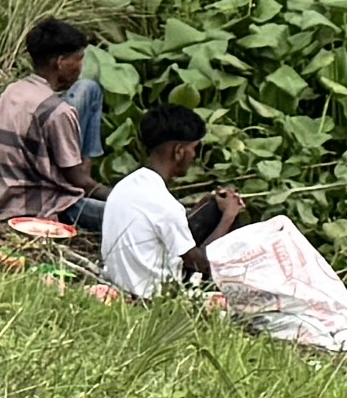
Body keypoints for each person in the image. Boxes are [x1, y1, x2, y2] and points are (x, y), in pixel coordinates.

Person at [96, 99, 266, 305]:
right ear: (178, 151)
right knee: (227, 225)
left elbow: (164, 229)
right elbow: (200, 263)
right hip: (152, 295)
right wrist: (229, 216)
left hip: (121, 282)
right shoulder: (166, 206)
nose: (194, 155)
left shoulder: (126, 186)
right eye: (194, 148)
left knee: (212, 209)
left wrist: (204, 204)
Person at [0, 19, 108, 233]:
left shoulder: (12, 91)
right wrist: (124, 199)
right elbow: (78, 181)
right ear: (60, 62)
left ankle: (83, 167)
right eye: (78, 60)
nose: (81, 67)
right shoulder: (58, 113)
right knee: (128, 217)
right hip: (40, 207)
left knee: (90, 89)